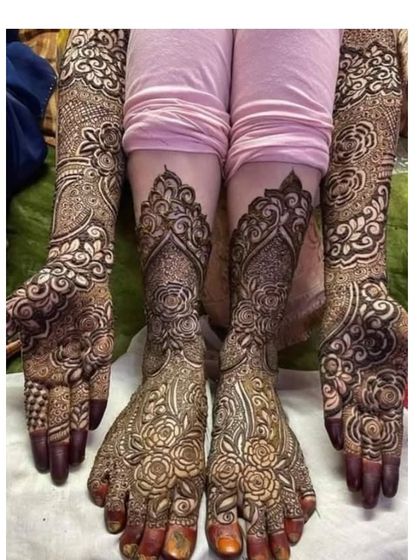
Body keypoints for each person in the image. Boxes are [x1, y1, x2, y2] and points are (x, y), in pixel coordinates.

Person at [6, 29, 407, 560]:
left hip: (286, 266)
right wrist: (76, 253)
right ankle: (175, 350)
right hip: (164, 230)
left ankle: (249, 355)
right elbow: (99, 41)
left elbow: (367, 50)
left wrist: (359, 280)